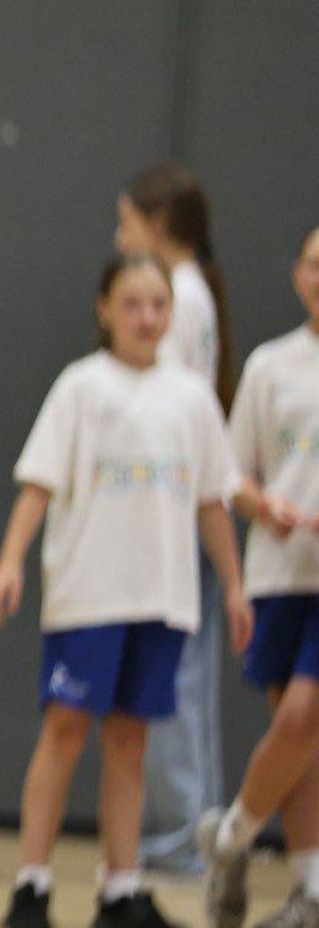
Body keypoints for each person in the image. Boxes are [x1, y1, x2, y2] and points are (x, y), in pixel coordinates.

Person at [0, 253, 249, 928]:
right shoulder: (80, 387)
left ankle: (120, 889)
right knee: (66, 730)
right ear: (105, 309)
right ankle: (32, 887)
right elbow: (39, 481)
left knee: (131, 740)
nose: (147, 317)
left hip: (160, 596)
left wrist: (235, 587)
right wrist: (11, 560)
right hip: (89, 594)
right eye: (132, 303)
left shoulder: (191, 398)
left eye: (158, 305)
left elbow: (212, 501)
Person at [117, 163, 237, 873]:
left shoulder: (181, 299)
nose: (119, 236)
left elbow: (174, 413)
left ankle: (177, 835)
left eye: (126, 222)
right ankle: (197, 828)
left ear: (158, 225)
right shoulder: (195, 293)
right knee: (188, 674)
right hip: (185, 505)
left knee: (173, 675)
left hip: (174, 507)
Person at [199, 224, 319, 928]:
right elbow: (231, 474)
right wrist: (264, 505)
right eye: (314, 264)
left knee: (305, 717)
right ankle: (308, 889)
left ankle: (230, 837)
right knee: (299, 740)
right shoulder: (272, 367)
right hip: (282, 572)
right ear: (298, 274)